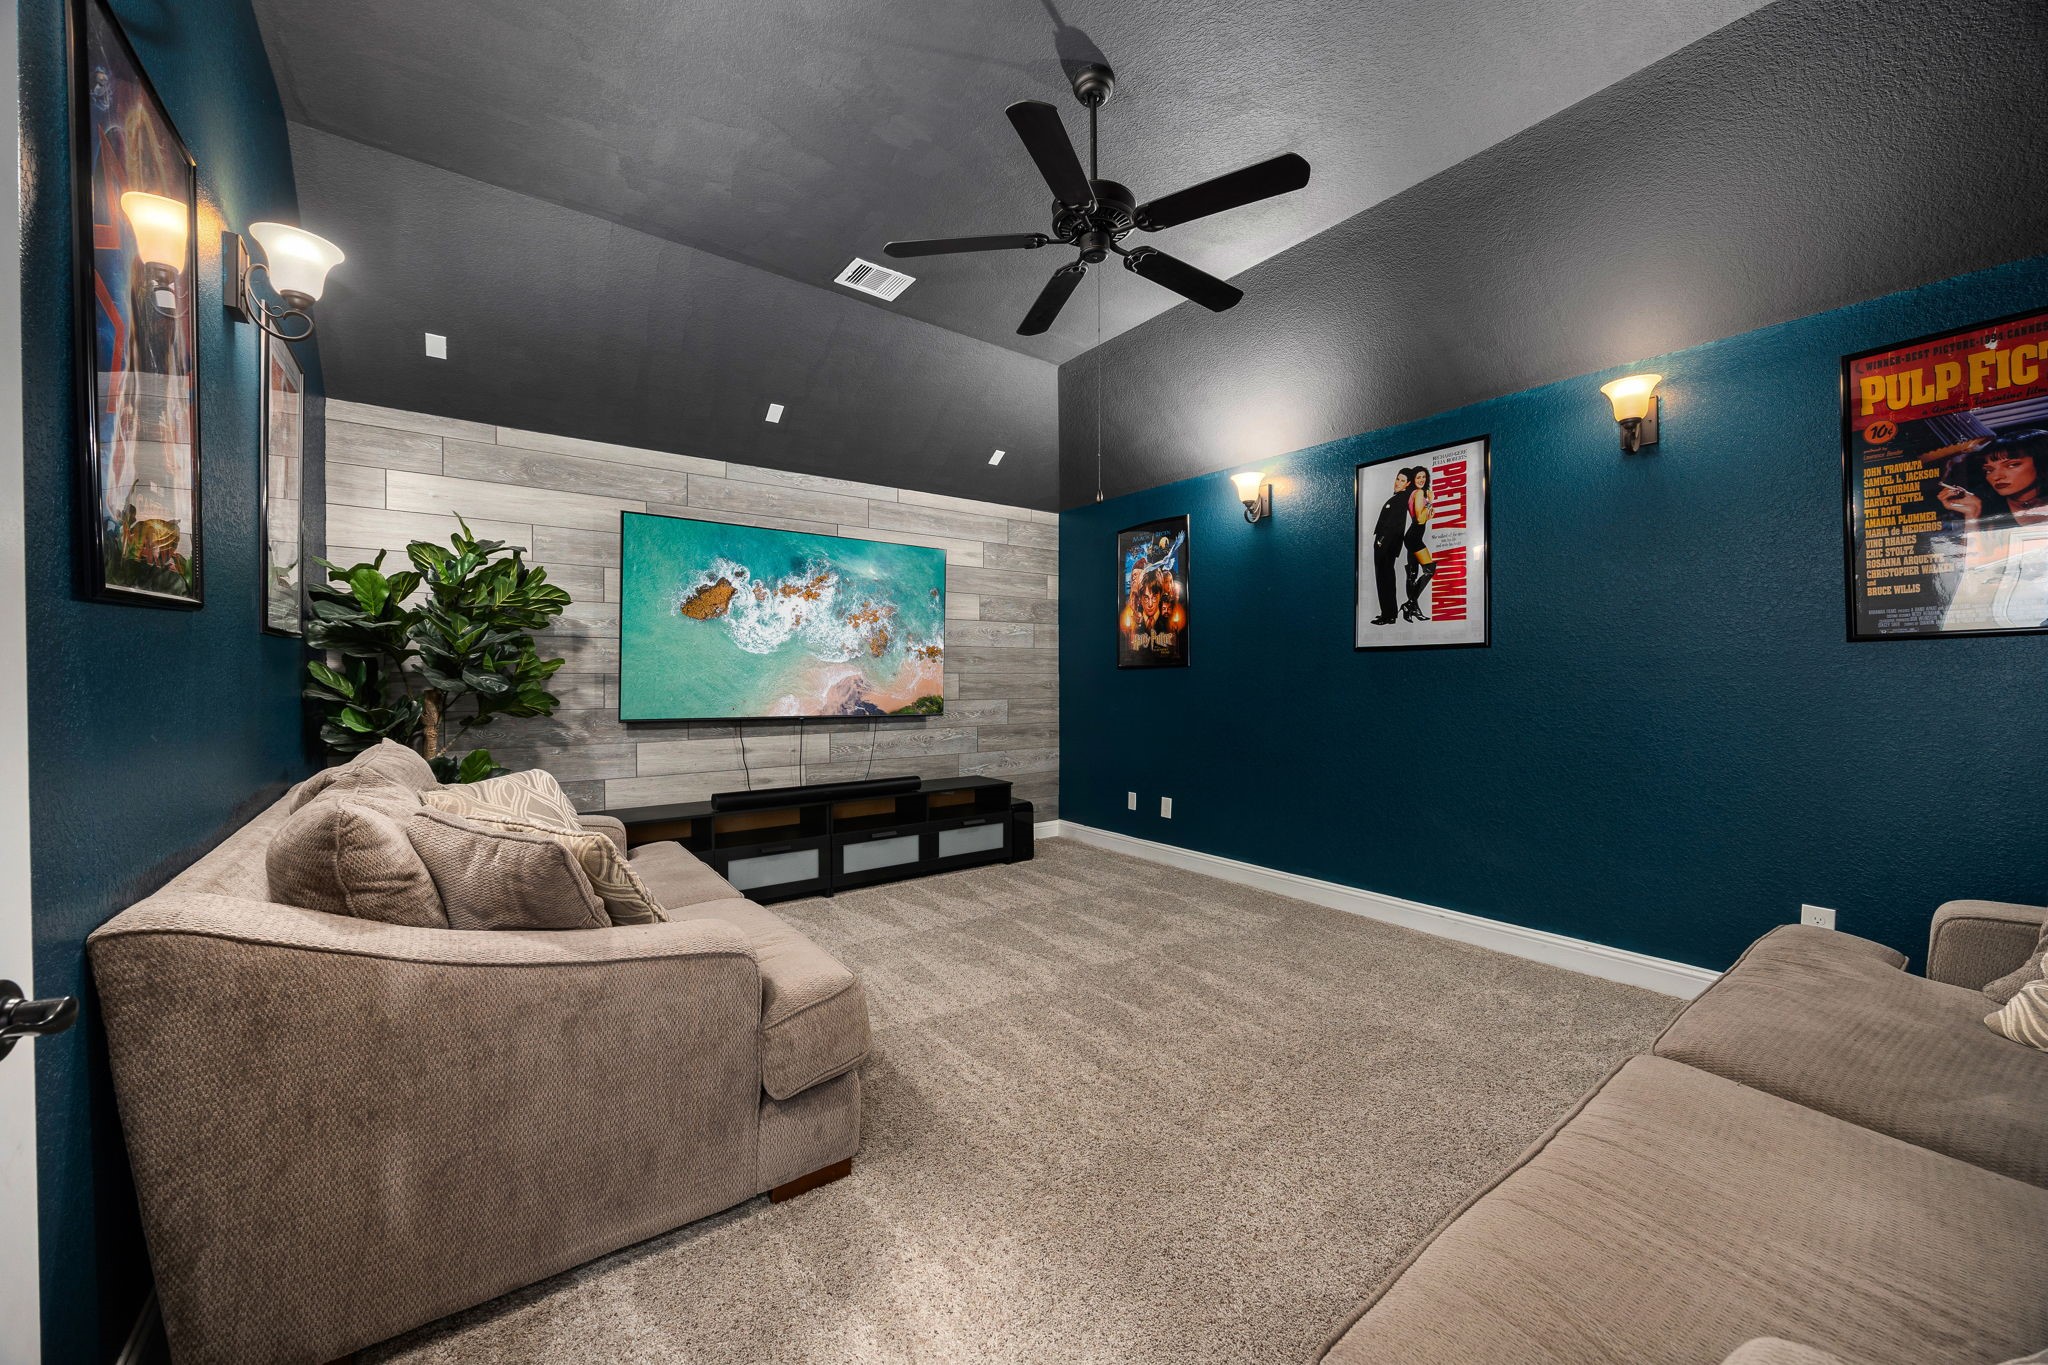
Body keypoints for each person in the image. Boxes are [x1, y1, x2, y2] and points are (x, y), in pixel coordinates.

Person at [1367, 468, 1411, 625]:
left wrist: (1381, 541)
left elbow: (1392, 526)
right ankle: (1388, 613)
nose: (1397, 483)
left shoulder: (1400, 500)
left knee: (1384, 579)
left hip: (1386, 544)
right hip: (1386, 544)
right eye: (1397, 479)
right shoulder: (1399, 498)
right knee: (1385, 578)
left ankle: (1389, 614)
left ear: (1408, 484)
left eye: (1402, 480)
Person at [1402, 466, 1435, 622]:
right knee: (1429, 570)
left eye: (1423, 476)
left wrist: (1428, 509)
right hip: (1414, 537)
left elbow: (1427, 516)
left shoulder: (1414, 493)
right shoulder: (1420, 493)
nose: (1421, 480)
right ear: (1413, 480)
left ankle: (1411, 608)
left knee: (1413, 574)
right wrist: (1430, 502)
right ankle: (1410, 604)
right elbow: (1421, 519)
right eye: (1418, 477)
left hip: (1412, 536)